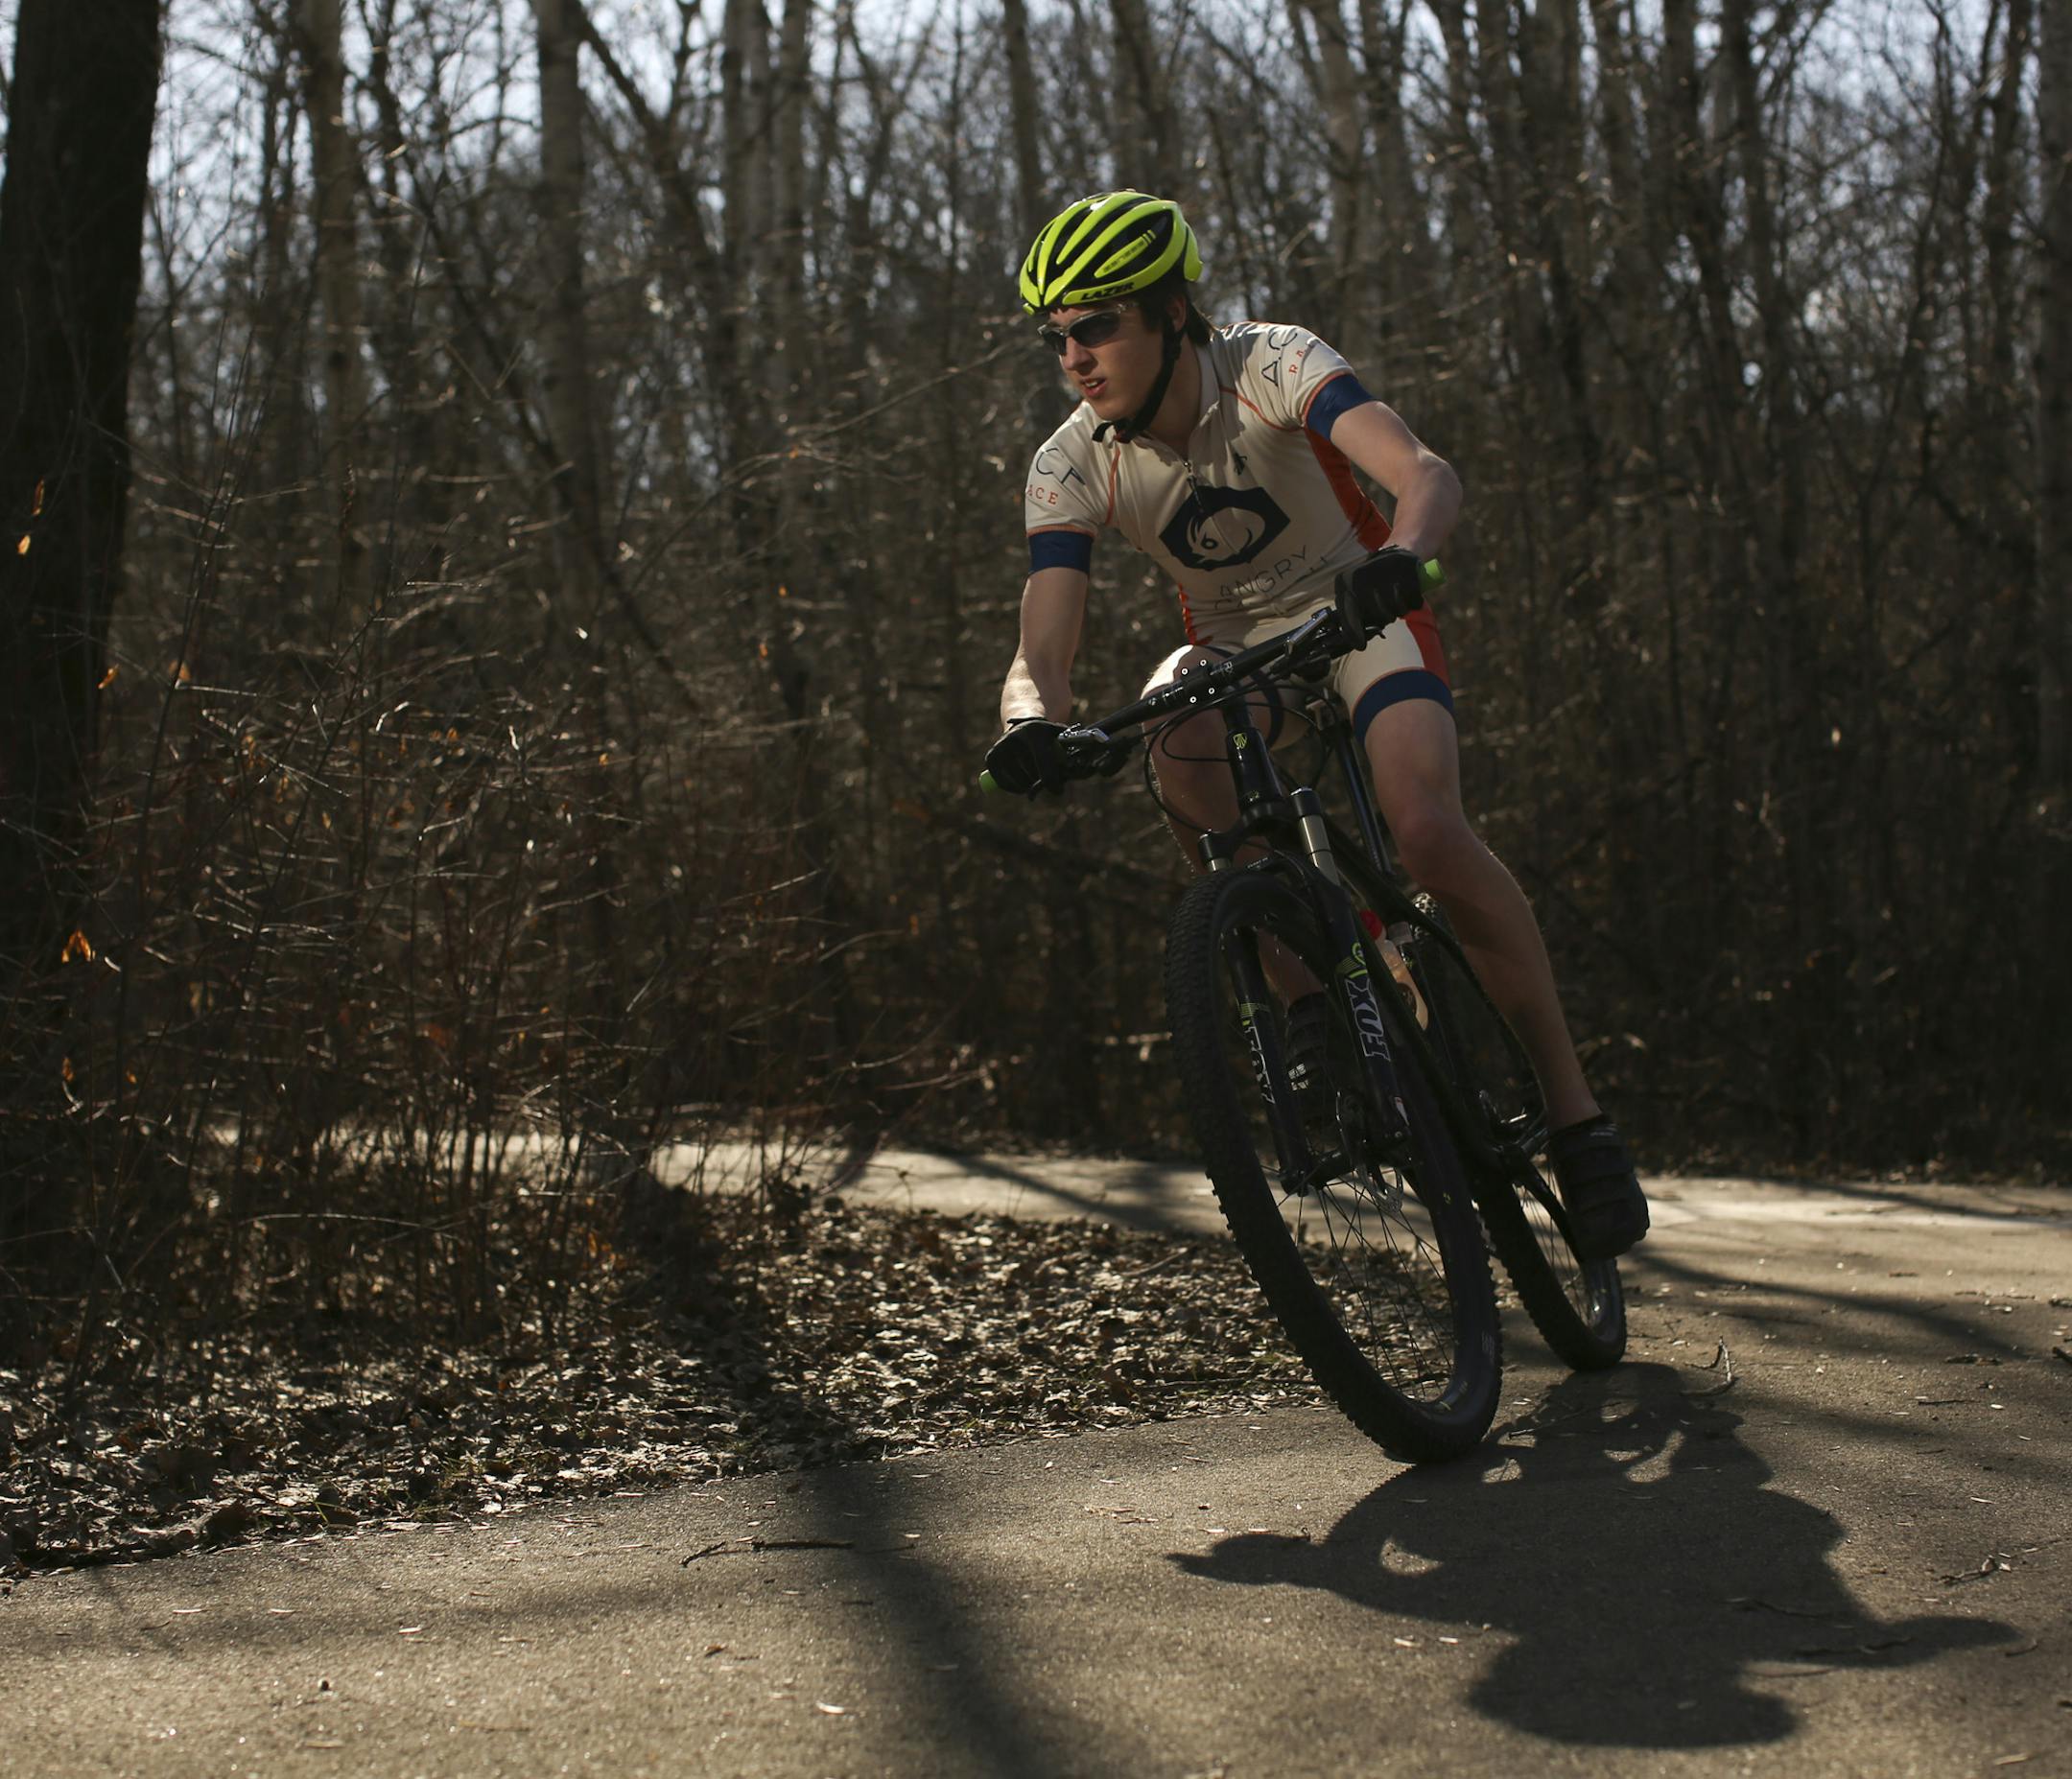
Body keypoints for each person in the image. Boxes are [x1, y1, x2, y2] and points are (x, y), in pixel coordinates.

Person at [982, 191, 1648, 1261]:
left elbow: (1423, 473)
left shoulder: (1272, 363)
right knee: (1174, 741)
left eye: (1097, 323)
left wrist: (1403, 557)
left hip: (1363, 609)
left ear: (1170, 311)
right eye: (1054, 334)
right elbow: (1043, 655)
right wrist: (1029, 723)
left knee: (1424, 829)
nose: (1074, 355)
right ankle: (1313, 1007)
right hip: (1243, 651)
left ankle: (1576, 1116)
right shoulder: (1070, 462)